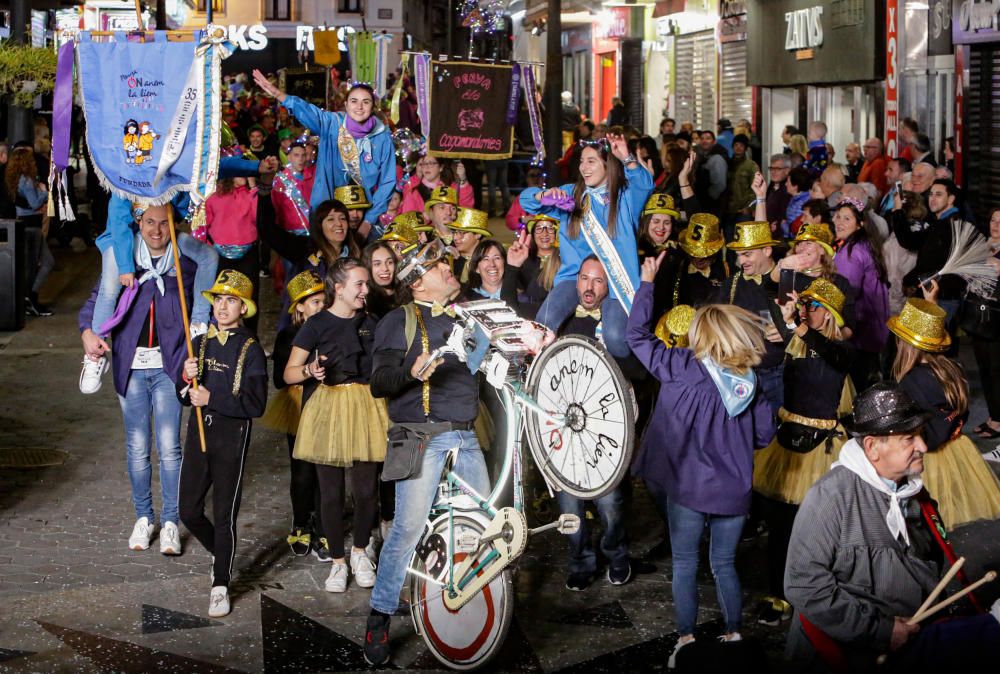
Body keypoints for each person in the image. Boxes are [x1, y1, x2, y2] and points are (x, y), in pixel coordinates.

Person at [784, 383, 1000, 672]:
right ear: (873, 447)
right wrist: (880, 630)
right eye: (909, 438)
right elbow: (803, 584)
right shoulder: (831, 498)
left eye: (920, 435)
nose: (923, 446)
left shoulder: (914, 495)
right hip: (840, 657)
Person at [628, 257, 775, 668]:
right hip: (733, 490)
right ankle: (733, 633)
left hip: (687, 489)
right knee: (725, 563)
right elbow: (764, 437)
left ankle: (687, 641)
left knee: (686, 564)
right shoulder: (750, 382)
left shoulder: (678, 367)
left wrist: (646, 284)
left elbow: (636, 336)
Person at [363, 241, 487, 666]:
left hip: (466, 435)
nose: (450, 270)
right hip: (419, 437)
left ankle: (469, 601)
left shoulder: (468, 315)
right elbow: (378, 381)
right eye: (439, 267)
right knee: (408, 530)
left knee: (481, 526)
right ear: (418, 283)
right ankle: (378, 618)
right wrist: (409, 373)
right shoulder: (399, 321)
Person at [78, 204, 218, 556]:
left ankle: (171, 520)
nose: (157, 231)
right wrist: (87, 331)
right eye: (150, 222)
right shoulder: (125, 261)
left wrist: (202, 322)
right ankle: (144, 516)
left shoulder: (184, 261)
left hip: (169, 367)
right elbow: (99, 297)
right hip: (131, 367)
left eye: (164, 223)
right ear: (137, 223)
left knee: (170, 449)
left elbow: (208, 269)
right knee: (138, 448)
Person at [282, 258, 388, 592]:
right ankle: (338, 562)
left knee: (367, 489)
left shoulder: (373, 322)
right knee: (330, 493)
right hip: (328, 405)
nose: (365, 290)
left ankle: (360, 551)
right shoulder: (316, 325)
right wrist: (309, 371)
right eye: (359, 284)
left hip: (368, 406)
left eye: (366, 284)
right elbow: (288, 373)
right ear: (338, 288)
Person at [752, 278, 853, 627]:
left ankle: (820, 594)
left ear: (831, 315)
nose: (808, 312)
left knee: (820, 529)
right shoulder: (797, 340)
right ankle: (778, 595)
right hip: (788, 443)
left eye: (815, 307)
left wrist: (798, 323)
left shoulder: (843, 348)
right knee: (780, 527)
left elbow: (833, 356)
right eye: (806, 306)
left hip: (823, 449)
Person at [177, 270, 267, 617]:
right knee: (188, 510)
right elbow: (185, 396)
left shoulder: (252, 350)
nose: (223, 307)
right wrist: (186, 380)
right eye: (219, 300)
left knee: (225, 513)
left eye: (231, 301)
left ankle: (220, 583)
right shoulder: (199, 344)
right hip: (198, 436)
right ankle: (221, 551)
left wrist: (210, 397)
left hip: (231, 438)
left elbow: (255, 405)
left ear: (244, 308)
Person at [519, 133, 655, 359]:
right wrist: (544, 195)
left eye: (591, 161)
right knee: (542, 325)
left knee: (616, 341)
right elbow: (526, 200)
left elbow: (644, 184)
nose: (584, 167)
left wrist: (627, 158)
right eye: (581, 161)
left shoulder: (624, 197)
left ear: (607, 164)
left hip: (616, 282)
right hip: (574, 278)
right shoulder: (572, 194)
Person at [549, 257, 632, 590]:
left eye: (598, 281)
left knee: (610, 504)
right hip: (566, 431)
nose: (589, 286)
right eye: (584, 278)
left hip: (604, 433)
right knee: (569, 506)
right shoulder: (562, 320)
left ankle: (616, 555)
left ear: (608, 286)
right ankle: (581, 561)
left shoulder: (617, 327)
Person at [888, 295, 1000, 529]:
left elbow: (914, 428)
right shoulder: (951, 367)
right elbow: (962, 413)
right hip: (957, 446)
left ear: (906, 345)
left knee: (929, 514)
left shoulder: (912, 382)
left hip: (929, 457)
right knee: (949, 506)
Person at [252, 71, 396, 237]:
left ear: (373, 106)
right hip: (327, 213)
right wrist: (279, 94)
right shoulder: (332, 124)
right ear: (346, 104)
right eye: (354, 101)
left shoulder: (381, 136)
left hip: (364, 217)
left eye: (366, 101)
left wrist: (368, 221)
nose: (359, 107)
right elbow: (308, 111)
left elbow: (388, 181)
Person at [260, 270, 326, 558]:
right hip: (298, 406)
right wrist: (305, 372)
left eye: (325, 302)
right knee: (301, 472)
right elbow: (277, 378)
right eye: (314, 303)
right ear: (299, 307)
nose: (322, 308)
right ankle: (301, 521)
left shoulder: (334, 328)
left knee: (326, 468)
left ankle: (325, 525)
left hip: (329, 405)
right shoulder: (288, 335)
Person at [718, 221, 788, 411]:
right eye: (739, 255)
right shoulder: (731, 284)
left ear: (767, 250)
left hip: (778, 375)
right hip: (738, 374)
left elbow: (814, 328)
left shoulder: (788, 282)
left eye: (747, 254)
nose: (741, 262)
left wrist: (788, 333)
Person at [833, 199, 889, 390]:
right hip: (872, 328)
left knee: (858, 384)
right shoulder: (864, 244)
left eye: (846, 219)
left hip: (860, 329)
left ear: (860, 224)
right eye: (838, 216)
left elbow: (845, 291)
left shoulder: (852, 251)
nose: (839, 222)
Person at [200, 178, 261, 331]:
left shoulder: (251, 194)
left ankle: (250, 337)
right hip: (219, 255)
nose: (245, 175)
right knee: (220, 297)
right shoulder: (214, 196)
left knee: (250, 297)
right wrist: (208, 250)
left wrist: (254, 188)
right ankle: (219, 334)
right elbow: (203, 225)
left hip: (248, 254)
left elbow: (259, 217)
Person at [6, 143, 53, 316]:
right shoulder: (26, 180)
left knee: (36, 263)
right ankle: (30, 297)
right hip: (32, 225)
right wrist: (43, 191)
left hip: (24, 222)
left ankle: (30, 297)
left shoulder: (14, 179)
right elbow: (34, 203)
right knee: (44, 263)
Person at [399, 154, 473, 214]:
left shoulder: (451, 188)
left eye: (431, 163)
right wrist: (426, 217)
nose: (427, 167)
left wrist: (463, 180)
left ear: (440, 168)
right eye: (424, 164)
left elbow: (466, 209)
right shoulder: (414, 192)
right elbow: (408, 221)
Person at [271, 141, 316, 237]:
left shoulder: (312, 176)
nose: (300, 159)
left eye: (303, 155)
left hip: (312, 230)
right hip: (290, 232)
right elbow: (276, 207)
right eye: (296, 155)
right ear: (289, 157)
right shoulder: (280, 179)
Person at [447, 207, 492, 284]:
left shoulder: (490, 262)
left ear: (478, 234)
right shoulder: (450, 261)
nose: (455, 237)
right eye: (454, 232)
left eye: (461, 233)